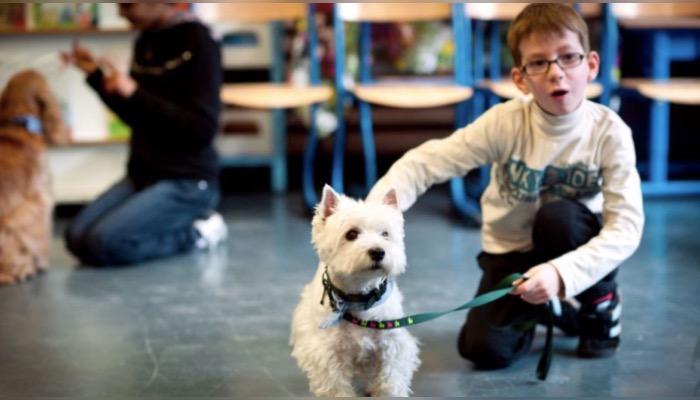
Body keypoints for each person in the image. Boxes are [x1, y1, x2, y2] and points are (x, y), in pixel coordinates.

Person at [366, 3, 644, 369]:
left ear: (591, 65)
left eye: (568, 58)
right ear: (520, 78)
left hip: (572, 242)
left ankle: (599, 304)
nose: (556, 73)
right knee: (482, 350)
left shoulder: (610, 132)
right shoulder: (504, 122)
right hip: (511, 253)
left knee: (559, 217)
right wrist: (373, 215)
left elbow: (627, 226)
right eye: (539, 63)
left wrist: (561, 273)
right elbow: (429, 161)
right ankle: (551, 308)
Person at [61, 3, 227, 267]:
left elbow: (202, 128)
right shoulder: (145, 41)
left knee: (104, 244)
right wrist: (96, 78)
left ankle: (197, 233)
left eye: (127, 5)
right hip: (143, 174)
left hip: (187, 181)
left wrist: (134, 92)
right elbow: (139, 115)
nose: (120, 13)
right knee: (76, 238)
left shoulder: (200, 41)